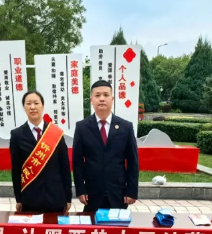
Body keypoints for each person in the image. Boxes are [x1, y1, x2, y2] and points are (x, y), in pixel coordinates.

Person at [72, 80, 139, 211]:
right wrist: (80, 189)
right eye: (97, 95)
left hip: (118, 192)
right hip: (92, 193)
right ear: (91, 100)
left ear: (112, 99)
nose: (102, 99)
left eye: (106, 95)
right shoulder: (82, 127)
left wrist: (131, 191)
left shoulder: (126, 127)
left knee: (118, 224)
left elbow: (133, 161)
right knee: (92, 224)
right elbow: (77, 162)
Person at [9, 91, 72, 213]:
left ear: (42, 106)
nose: (32, 107)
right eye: (28, 103)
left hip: (56, 197)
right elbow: (16, 170)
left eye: (36, 103)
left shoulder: (56, 133)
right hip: (30, 198)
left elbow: (64, 167)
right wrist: (18, 199)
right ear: (24, 107)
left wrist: (68, 197)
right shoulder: (17, 135)